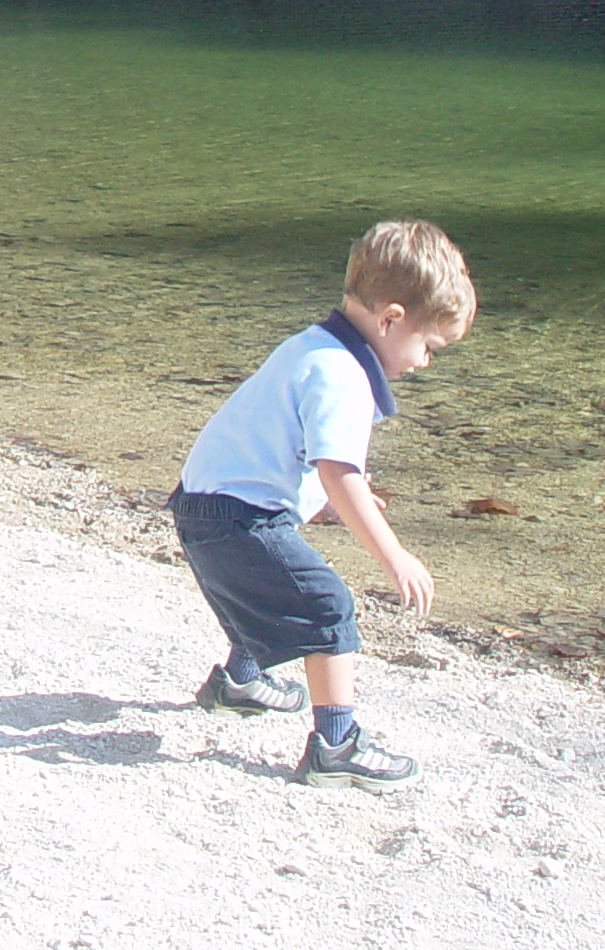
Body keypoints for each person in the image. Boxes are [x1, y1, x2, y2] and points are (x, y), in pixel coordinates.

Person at [170, 219, 476, 791]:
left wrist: (329, 503)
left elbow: (285, 453)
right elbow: (339, 473)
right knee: (326, 605)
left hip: (204, 506)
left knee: (271, 587)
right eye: (429, 347)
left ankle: (240, 682)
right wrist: (394, 555)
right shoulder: (343, 377)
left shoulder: (313, 347)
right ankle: (336, 746)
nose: (425, 363)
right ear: (391, 320)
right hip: (235, 518)